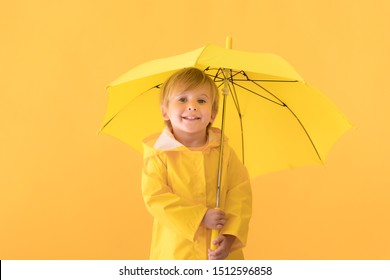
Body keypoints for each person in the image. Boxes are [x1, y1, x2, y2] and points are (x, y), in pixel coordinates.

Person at [141, 67, 252, 260]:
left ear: (213, 114)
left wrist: (229, 236)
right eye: (182, 99)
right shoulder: (159, 155)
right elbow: (156, 198)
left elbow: (239, 195)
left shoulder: (224, 154)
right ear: (165, 111)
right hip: (177, 253)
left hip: (219, 251)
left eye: (201, 100)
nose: (192, 106)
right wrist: (200, 216)